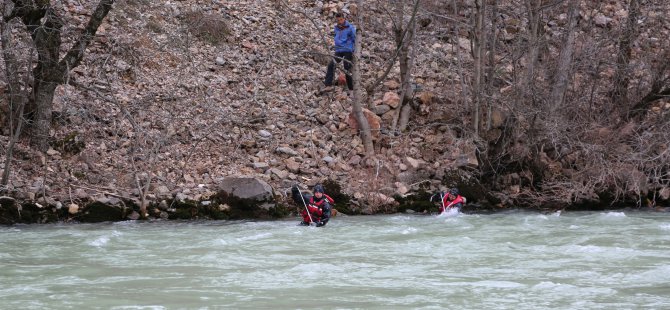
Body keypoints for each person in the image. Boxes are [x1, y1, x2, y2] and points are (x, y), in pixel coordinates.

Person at [323, 13, 356, 91]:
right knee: (331, 64)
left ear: (344, 18)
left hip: (348, 50)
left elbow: (355, 39)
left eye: (341, 19)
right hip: (338, 50)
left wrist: (354, 50)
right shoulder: (336, 28)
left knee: (346, 67)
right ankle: (328, 84)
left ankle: (351, 88)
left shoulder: (350, 28)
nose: (340, 21)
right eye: (338, 20)